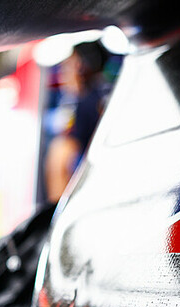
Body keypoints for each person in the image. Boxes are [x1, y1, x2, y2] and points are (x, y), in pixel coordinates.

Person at [44, 41, 111, 203]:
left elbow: (62, 156)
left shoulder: (89, 102)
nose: (62, 73)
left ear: (80, 67)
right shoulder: (100, 94)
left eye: (67, 66)